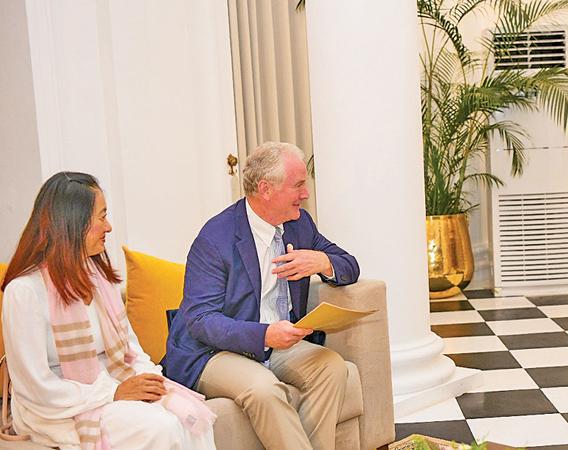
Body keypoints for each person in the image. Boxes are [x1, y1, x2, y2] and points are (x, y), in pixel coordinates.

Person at [163, 142, 360, 450]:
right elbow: (201, 321)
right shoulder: (215, 239)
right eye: (298, 185)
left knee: (331, 367)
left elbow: (350, 266)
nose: (305, 194)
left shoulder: (299, 224)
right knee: (264, 389)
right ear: (266, 189)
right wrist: (265, 335)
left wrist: (323, 262)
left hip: (277, 343)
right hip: (213, 352)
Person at [1, 172, 216, 450]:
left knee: (191, 417)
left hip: (113, 384)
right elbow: (35, 388)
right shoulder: (25, 292)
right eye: (102, 217)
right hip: (56, 407)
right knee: (160, 427)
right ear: (73, 223)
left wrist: (148, 380)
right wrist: (114, 392)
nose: (109, 226)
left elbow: (132, 348)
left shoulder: (98, 278)